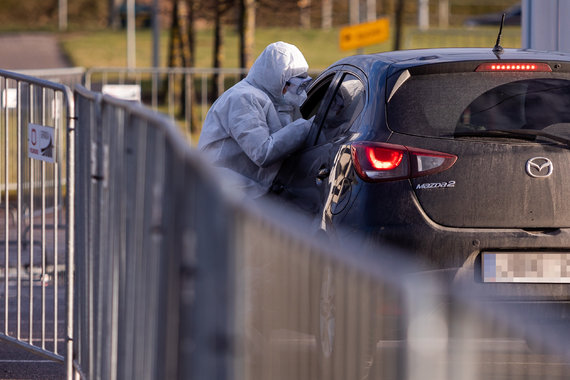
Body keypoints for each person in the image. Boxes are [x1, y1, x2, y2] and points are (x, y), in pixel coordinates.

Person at [198, 41, 314, 199]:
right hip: (220, 192)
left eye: (302, 85)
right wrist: (308, 126)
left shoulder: (271, 98)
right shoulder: (243, 98)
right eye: (293, 85)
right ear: (276, 79)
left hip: (239, 193)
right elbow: (263, 152)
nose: (297, 92)